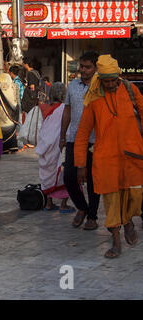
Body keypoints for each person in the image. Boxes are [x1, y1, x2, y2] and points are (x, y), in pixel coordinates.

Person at [75, 54, 143, 259]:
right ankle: (115, 241)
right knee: (112, 201)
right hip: (106, 159)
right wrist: (80, 164)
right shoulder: (93, 98)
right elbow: (83, 132)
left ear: (119, 76)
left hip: (133, 156)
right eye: (107, 81)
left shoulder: (131, 90)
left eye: (115, 80)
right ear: (101, 79)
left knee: (135, 196)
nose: (112, 84)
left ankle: (129, 220)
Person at [59, 51, 100, 231]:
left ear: (96, 68)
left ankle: (92, 216)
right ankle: (82, 207)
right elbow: (67, 111)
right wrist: (62, 135)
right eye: (81, 66)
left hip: (94, 140)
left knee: (93, 180)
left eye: (87, 67)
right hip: (73, 138)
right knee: (69, 177)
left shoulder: (101, 86)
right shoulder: (73, 85)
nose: (83, 70)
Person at [36, 82, 74, 213]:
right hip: (60, 147)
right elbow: (69, 129)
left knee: (49, 176)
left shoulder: (46, 108)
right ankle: (63, 204)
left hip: (46, 147)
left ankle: (49, 203)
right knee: (65, 176)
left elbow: (44, 130)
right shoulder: (66, 109)